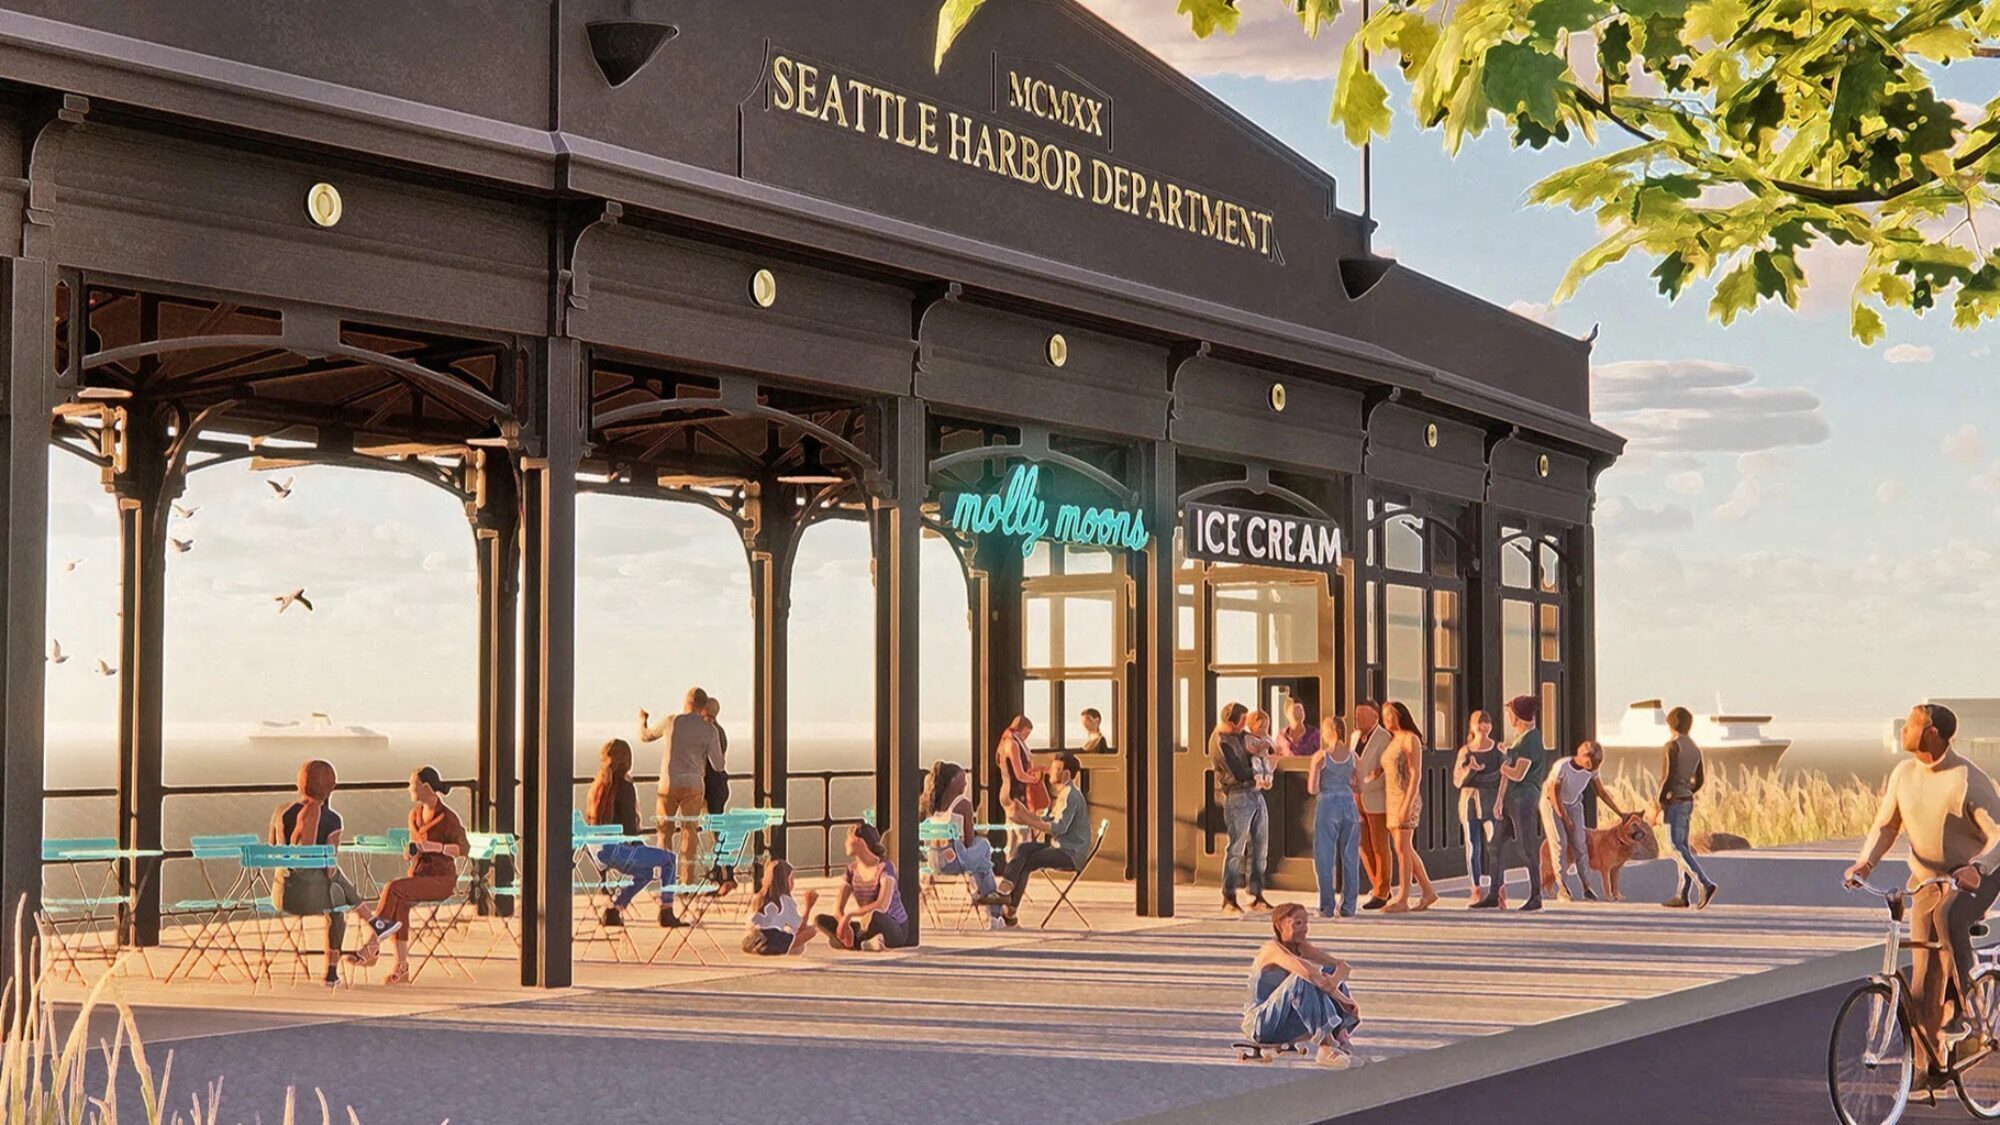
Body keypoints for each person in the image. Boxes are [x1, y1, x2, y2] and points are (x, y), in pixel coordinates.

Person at [1846, 703, 2000, 1068]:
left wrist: (1978, 867)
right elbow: (1887, 825)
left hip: (1977, 877)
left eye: (1911, 724)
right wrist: (1865, 863)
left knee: (1948, 917)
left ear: (1932, 732)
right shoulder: (1903, 774)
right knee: (1924, 980)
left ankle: (1969, 1010)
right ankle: (1927, 1067)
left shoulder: (1967, 779)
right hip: (1928, 881)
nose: (1902, 729)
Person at [354, 766, 469, 983]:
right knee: (400, 904)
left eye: (412, 784)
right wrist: (411, 851)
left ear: (425, 787)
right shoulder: (414, 815)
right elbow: (416, 845)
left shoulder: (448, 818)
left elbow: (464, 849)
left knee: (393, 888)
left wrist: (435, 847)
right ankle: (402, 967)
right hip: (418, 875)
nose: (409, 788)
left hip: (441, 880)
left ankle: (373, 944)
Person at [268, 759, 363, 988]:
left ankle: (373, 920)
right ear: (333, 787)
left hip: (281, 896)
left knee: (335, 888)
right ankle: (331, 971)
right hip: (312, 899)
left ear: (299, 783)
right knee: (337, 902)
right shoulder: (332, 820)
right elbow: (330, 867)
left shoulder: (281, 812)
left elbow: (272, 848)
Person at [1242, 903, 1363, 1068]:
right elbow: (1307, 973)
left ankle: (1341, 1039)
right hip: (1261, 1025)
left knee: (1327, 971)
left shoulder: (1300, 947)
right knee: (1302, 979)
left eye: (1306, 923)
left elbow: (1342, 967)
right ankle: (1326, 1046)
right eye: (1297, 924)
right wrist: (1340, 998)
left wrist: (1333, 981)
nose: (1304, 929)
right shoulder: (1271, 949)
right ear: (1279, 926)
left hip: (1285, 1024)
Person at [583, 738, 682, 929]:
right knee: (669, 859)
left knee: (646, 871)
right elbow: (629, 828)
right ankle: (666, 911)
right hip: (620, 851)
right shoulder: (624, 787)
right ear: (627, 760)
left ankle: (614, 910)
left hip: (599, 853)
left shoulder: (597, 787)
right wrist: (642, 848)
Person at [986, 752, 1093, 926]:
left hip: (1070, 853)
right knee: (1023, 849)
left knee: (1028, 860)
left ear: (1066, 774)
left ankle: (1009, 910)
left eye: (1056, 769)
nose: (1050, 771)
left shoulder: (1071, 795)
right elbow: (1048, 820)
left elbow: (1059, 827)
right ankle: (1006, 888)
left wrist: (1027, 819)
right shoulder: (1064, 794)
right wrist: (1024, 814)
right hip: (1060, 847)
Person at [1472, 695, 1548, 911]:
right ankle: (1494, 892)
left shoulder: (1530, 741)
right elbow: (1509, 774)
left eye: (1510, 714)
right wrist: (1498, 802)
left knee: (1526, 846)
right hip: (1510, 799)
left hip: (1524, 797)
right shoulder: (1519, 738)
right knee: (1495, 843)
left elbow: (1518, 773)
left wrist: (1504, 765)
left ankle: (1536, 895)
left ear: (1518, 716)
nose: (1507, 717)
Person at [639, 686, 720, 876]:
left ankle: (666, 882)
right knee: (689, 833)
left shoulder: (671, 721)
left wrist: (642, 719)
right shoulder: (710, 730)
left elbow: (645, 736)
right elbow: (718, 765)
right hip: (694, 786)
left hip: (668, 784)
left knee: (664, 832)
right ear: (703, 707)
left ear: (686, 702)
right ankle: (686, 883)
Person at [920, 760, 1004, 929]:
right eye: (963, 779)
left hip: (933, 861)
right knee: (984, 845)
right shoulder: (962, 804)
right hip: (955, 861)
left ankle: (981, 888)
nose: (966, 783)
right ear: (953, 782)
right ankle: (993, 912)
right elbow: (969, 841)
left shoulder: (930, 805)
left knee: (982, 864)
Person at [1543, 740, 1628, 902]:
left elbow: (1601, 793)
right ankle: (1562, 888)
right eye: (1592, 763)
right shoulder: (1563, 766)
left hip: (1574, 803)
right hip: (1552, 804)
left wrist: (1620, 812)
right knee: (1560, 843)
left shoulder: (1592, 771)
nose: (1594, 768)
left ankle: (1586, 886)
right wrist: (1564, 817)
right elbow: (1554, 793)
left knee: (1580, 844)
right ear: (1583, 757)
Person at [1374, 701, 1438, 913]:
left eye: (1389, 715)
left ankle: (1403, 897)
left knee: (1402, 848)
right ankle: (1428, 891)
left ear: (1399, 715)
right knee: (1404, 848)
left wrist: (1406, 806)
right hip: (1391, 798)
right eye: (1384, 715)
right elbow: (1387, 766)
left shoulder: (1411, 739)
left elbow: (1415, 774)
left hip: (1405, 798)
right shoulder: (1393, 740)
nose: (1386, 719)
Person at [1210, 703, 1272, 914]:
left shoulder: (1241, 735)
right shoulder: (1221, 741)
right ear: (1232, 721)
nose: (1245, 725)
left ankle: (1256, 893)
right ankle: (1229, 896)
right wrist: (1256, 775)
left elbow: (1257, 746)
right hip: (1237, 795)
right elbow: (1236, 770)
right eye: (1242, 721)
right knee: (1236, 848)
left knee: (1260, 846)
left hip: (1256, 793)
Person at [812, 822, 910, 951]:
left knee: (873, 916)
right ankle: (862, 942)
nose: (845, 842)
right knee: (820, 920)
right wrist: (844, 924)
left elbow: (882, 905)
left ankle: (856, 942)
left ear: (860, 841)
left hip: (892, 926)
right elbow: (838, 908)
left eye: (848, 837)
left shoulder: (885, 867)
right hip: (865, 925)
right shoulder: (851, 870)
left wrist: (850, 915)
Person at [1658, 705, 1717, 910]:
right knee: (1682, 844)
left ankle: (1704, 883)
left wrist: (1660, 799)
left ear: (1670, 724)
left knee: (1675, 846)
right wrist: (1689, 789)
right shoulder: (1694, 747)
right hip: (1687, 800)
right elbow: (1699, 779)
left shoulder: (1672, 746)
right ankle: (1682, 893)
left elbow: (1668, 776)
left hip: (1674, 800)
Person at [1308, 716, 1360, 919]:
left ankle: (1326, 906)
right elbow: (1360, 787)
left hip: (1327, 805)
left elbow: (1312, 788)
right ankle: (1349, 906)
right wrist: (1349, 782)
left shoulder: (1321, 756)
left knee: (1324, 857)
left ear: (1328, 732)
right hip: (1348, 804)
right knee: (1350, 856)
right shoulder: (1353, 756)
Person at [1453, 710, 1504, 906]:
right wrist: (1471, 770)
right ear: (1472, 727)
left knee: (1495, 845)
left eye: (1486, 723)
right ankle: (1475, 888)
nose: (1483, 727)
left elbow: (1502, 776)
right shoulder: (1465, 751)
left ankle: (1498, 889)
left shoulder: (1498, 750)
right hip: (1469, 803)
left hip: (1491, 802)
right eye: (1479, 723)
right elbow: (1457, 781)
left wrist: (1482, 778)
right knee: (1473, 846)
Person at [1351, 703, 1394, 910]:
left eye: (1362, 715)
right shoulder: (1354, 737)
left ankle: (1382, 891)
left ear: (1374, 716)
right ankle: (1376, 882)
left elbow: (1384, 772)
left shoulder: (1384, 738)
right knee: (1363, 844)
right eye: (1356, 714)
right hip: (1355, 798)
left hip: (1375, 798)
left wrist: (1365, 785)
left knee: (1379, 845)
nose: (1357, 718)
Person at [743, 859, 819, 956]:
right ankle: (786, 948)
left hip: (755, 938)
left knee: (781, 931)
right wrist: (808, 906)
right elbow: (799, 926)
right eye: (791, 879)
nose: (793, 883)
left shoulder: (758, 898)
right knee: (812, 930)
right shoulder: (785, 900)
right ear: (784, 880)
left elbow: (750, 924)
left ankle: (759, 947)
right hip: (773, 940)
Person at [701, 695, 736, 895]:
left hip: (713, 788)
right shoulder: (719, 731)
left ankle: (727, 876)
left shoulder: (712, 732)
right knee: (716, 832)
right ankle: (719, 873)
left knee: (717, 834)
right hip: (719, 787)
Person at [995, 715, 1045, 850]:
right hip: (1016, 794)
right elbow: (1019, 774)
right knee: (1023, 835)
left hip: (1006, 791)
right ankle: (1020, 867)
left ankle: (1010, 866)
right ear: (1022, 729)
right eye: (1027, 733)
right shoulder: (1013, 744)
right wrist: (1036, 779)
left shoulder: (1004, 742)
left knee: (1012, 836)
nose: (1026, 737)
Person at [1245, 709, 1278, 791]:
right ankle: (1258, 777)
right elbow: (1249, 749)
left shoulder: (1267, 738)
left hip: (1265, 756)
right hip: (1256, 756)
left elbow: (1274, 749)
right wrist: (1258, 748)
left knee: (1268, 762)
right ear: (1251, 727)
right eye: (1261, 727)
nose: (1263, 730)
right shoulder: (1249, 737)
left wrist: (1271, 747)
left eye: (1265, 727)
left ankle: (1268, 778)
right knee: (1256, 761)